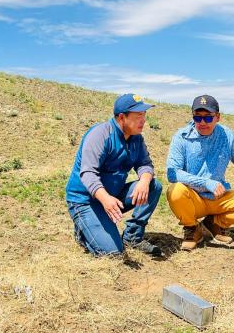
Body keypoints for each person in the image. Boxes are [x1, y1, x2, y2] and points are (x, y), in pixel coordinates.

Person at [65, 93, 163, 257]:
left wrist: (145, 181)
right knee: (113, 254)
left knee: (154, 186)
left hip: (113, 197)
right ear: (122, 117)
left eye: (144, 115)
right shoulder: (100, 134)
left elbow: (145, 164)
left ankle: (132, 237)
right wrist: (105, 200)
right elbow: (88, 173)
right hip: (86, 200)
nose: (143, 120)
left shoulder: (136, 138)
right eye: (138, 115)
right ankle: (83, 230)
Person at [166, 95, 234, 251]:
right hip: (193, 197)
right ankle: (192, 229)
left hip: (218, 197)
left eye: (208, 118)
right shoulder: (181, 137)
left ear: (218, 117)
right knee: (175, 191)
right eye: (198, 117)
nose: (202, 122)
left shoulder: (227, 135)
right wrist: (205, 183)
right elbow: (173, 173)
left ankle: (214, 223)